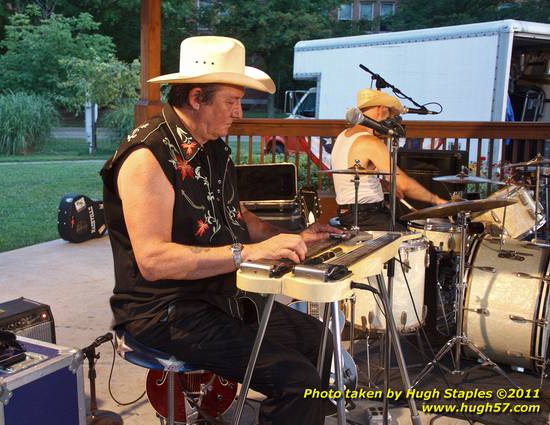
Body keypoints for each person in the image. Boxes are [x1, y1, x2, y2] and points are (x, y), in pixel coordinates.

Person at [101, 36, 339, 425]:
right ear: (197, 98)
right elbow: (154, 261)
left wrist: (290, 236)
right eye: (231, 101)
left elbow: (237, 217)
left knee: (319, 338)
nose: (239, 112)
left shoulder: (212, 147)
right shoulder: (147, 156)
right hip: (165, 310)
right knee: (296, 381)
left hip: (220, 295)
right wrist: (246, 253)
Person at [331, 88, 447, 230]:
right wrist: (436, 200)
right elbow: (403, 183)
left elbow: (352, 177)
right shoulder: (369, 141)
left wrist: (385, 184)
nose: (390, 119)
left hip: (349, 213)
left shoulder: (344, 135)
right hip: (365, 216)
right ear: (382, 108)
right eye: (390, 114)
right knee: (410, 241)